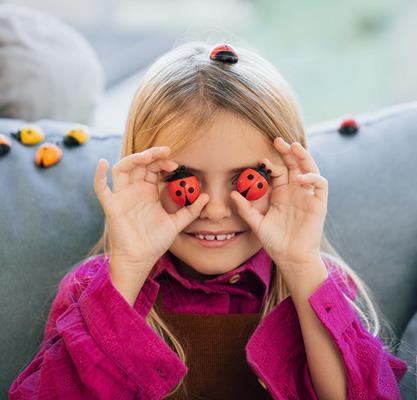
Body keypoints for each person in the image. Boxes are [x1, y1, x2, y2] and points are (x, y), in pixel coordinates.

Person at [8, 40, 410, 400]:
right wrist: (126, 270)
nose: (216, 210)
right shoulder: (97, 288)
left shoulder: (317, 285)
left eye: (251, 181)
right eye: (182, 179)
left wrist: (302, 264)